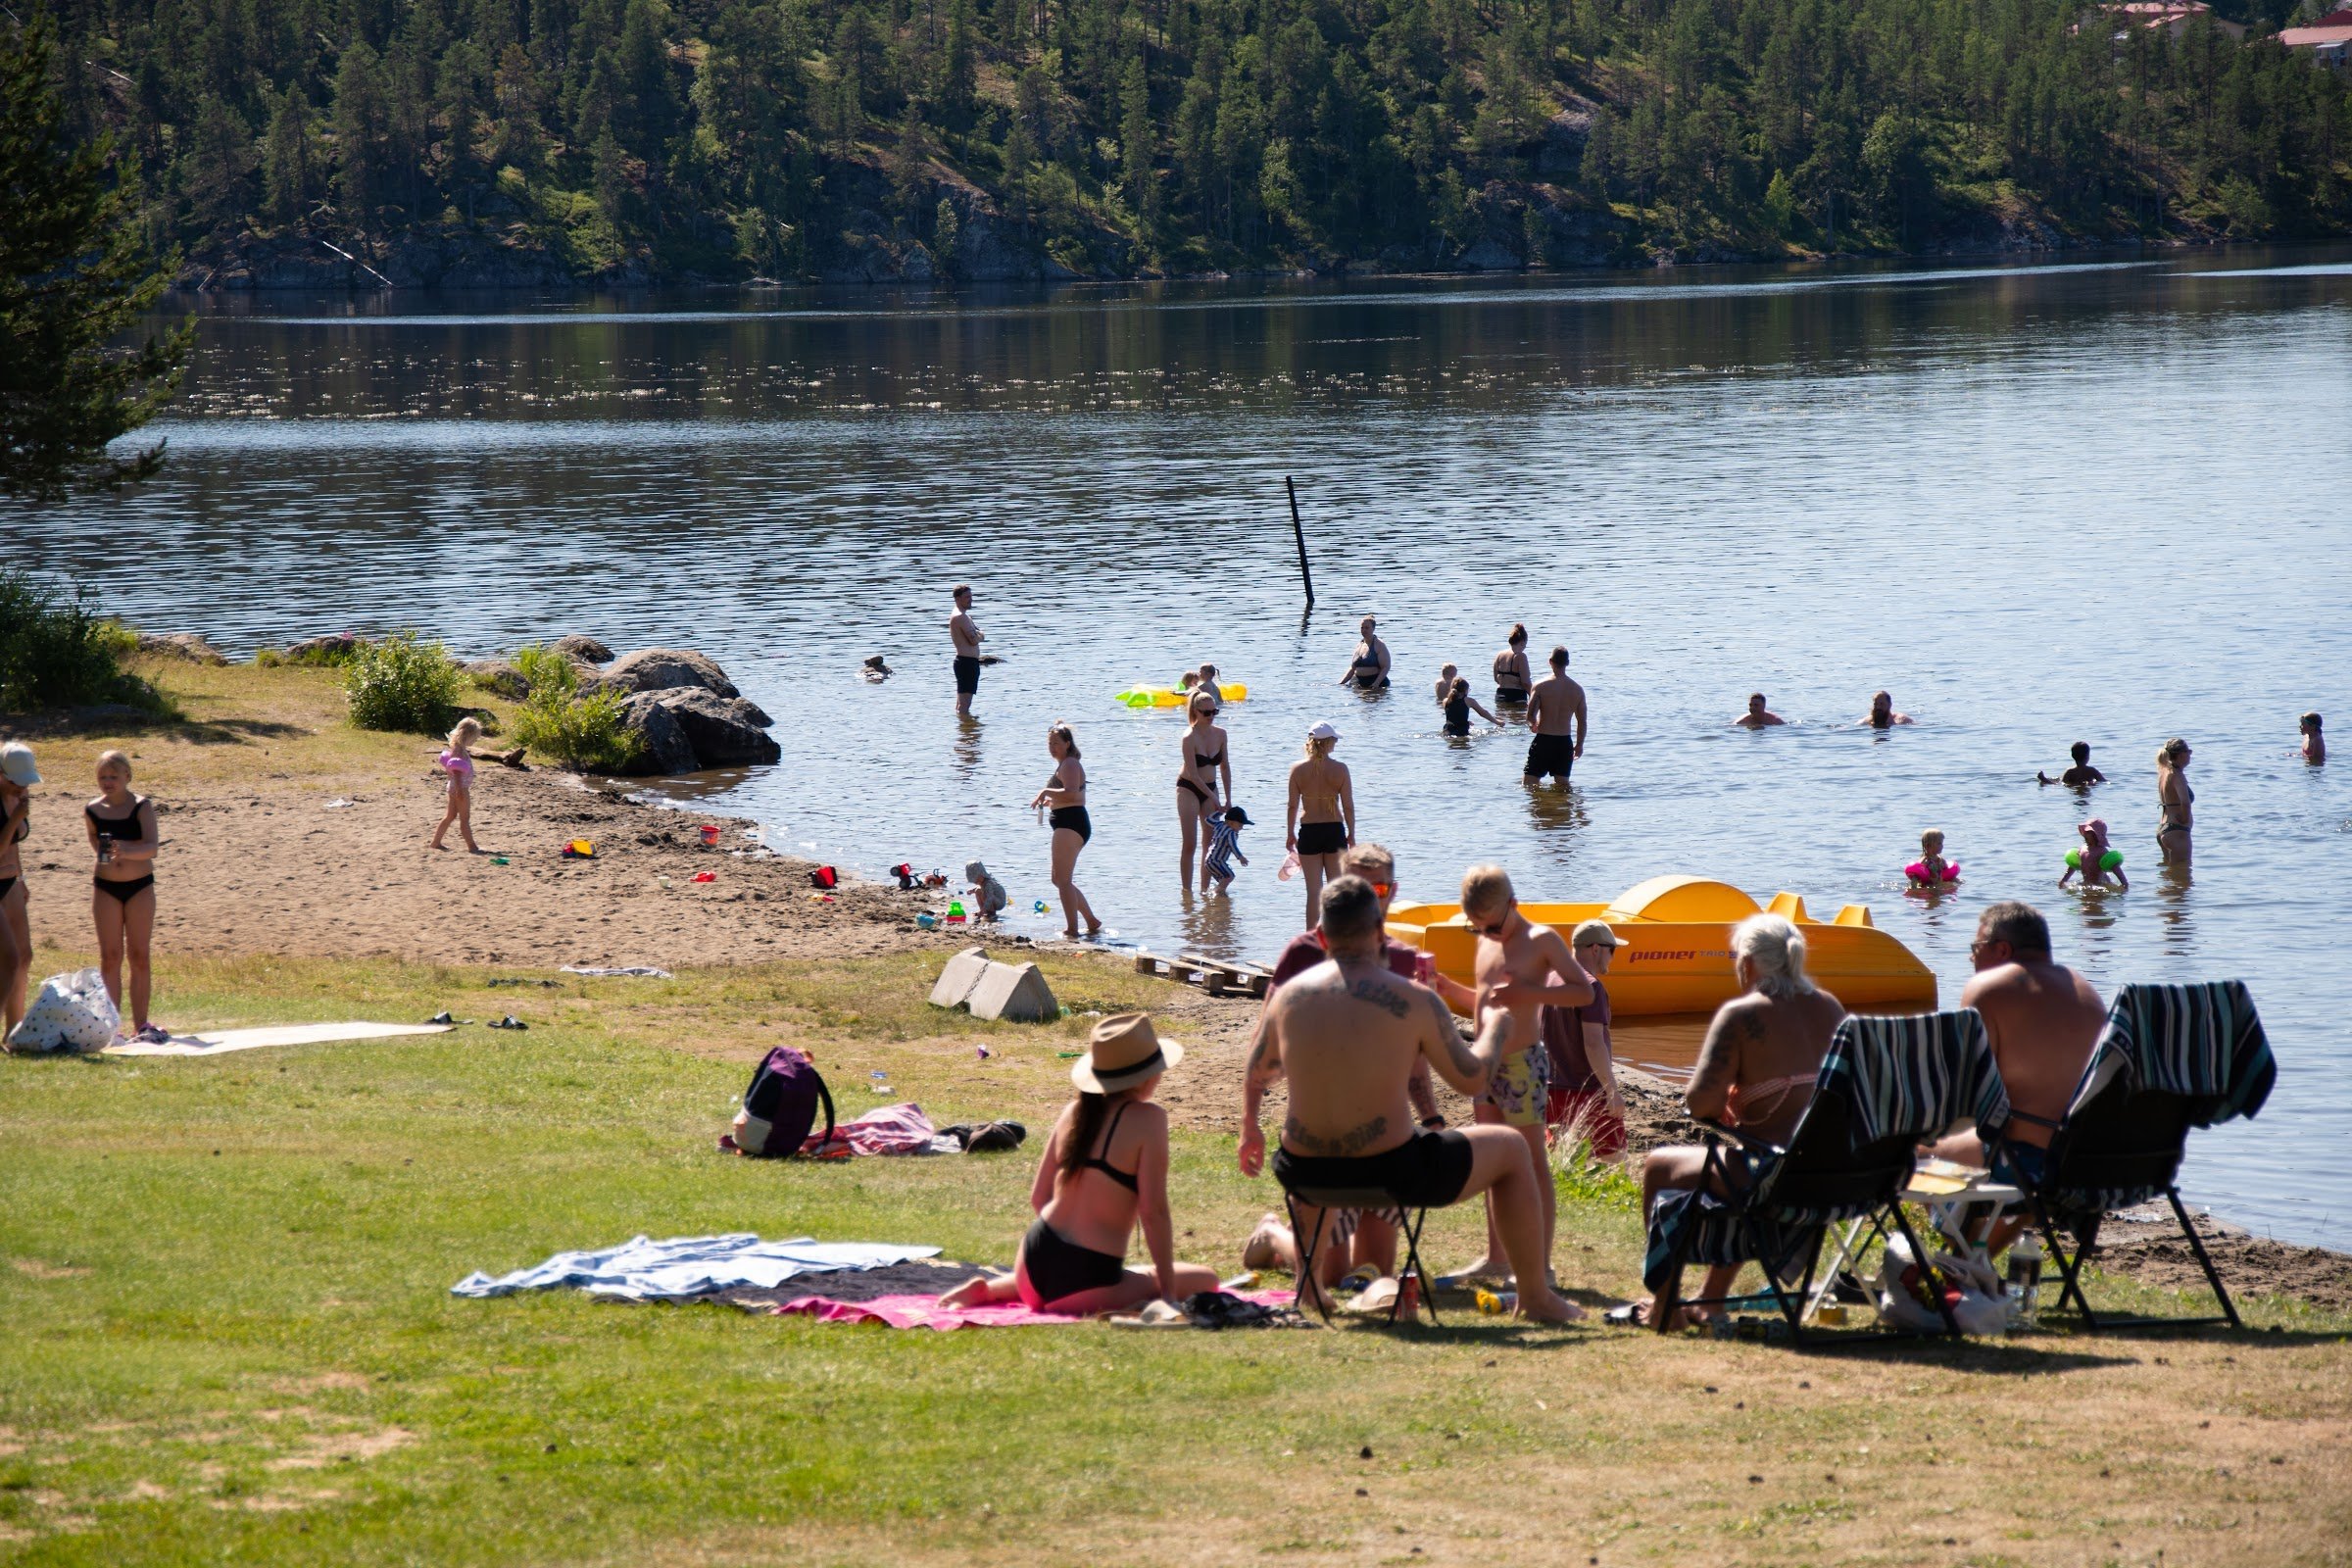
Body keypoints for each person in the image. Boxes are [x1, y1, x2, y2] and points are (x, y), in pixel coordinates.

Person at [1238, 876, 1583, 1322]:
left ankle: (1309, 1287)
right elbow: (1470, 1076)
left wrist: (1250, 1126)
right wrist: (1496, 1028)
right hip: (1394, 1170)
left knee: (1315, 1141)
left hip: (1305, 1171)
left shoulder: (1287, 998)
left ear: (1322, 937)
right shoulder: (1413, 998)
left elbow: (1257, 1071)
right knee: (1514, 1147)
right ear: (1380, 933)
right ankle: (1536, 1297)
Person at [1241, 844, 1471, 1285]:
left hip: (1388, 1134)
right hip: (1323, 1131)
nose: (1369, 894)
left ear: (1393, 891)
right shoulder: (1303, 954)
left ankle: (1293, 1239)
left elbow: (1414, 1056)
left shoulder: (1405, 959)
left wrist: (1433, 1117)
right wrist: (1250, 1122)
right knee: (1330, 1276)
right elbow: (1262, 1047)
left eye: (1378, 885)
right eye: (1358, 884)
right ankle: (1274, 1234)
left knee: (1375, 1273)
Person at [1633, 913, 1845, 1325]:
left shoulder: (1743, 1014)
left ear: (1747, 963)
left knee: (1660, 1164)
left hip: (1775, 1179)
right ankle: (1711, 1299)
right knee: (1737, 1160)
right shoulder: (1830, 1006)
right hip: (1835, 1176)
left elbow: (1699, 1103)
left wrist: (1732, 1099)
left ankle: (1665, 1308)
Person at [940, 1013, 1222, 1314]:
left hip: (1031, 1264)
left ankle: (991, 1289)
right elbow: (1154, 1212)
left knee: (1111, 1274)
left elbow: (1039, 1197)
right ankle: (1082, 1287)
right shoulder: (1149, 1119)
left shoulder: (1074, 1111)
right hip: (1086, 1278)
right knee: (1205, 1279)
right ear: (1148, 1074)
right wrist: (1167, 1293)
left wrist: (1065, 1250)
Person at [1929, 902, 2107, 1253]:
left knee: (1920, 1152)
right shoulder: (2086, 989)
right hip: (2093, 1160)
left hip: (2028, 1160)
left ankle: (1965, 1261)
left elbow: (1964, 1091)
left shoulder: (1987, 988)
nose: (1971, 958)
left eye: (1975, 948)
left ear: (2002, 950)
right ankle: (1971, 1262)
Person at [1449, 864, 1593, 1285]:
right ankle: (1498, 1259)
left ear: (1513, 904)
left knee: (1530, 1162)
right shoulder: (1484, 940)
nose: (1486, 933)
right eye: (1476, 927)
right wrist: (1442, 987)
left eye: (1491, 925)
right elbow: (1482, 1001)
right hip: (1484, 1063)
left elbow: (1583, 991)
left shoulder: (1540, 939)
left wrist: (1532, 993)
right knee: (1493, 1160)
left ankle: (1541, 1266)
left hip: (1522, 1063)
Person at [85, 750, 165, 1045]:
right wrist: (110, 852)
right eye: (103, 777)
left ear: (127, 777)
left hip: (139, 886)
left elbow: (152, 847)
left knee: (139, 955)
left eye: (114, 776)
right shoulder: (92, 809)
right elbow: (97, 847)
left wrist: (126, 851)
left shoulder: (141, 806)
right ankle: (111, 1027)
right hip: (105, 886)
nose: (108, 782)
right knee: (110, 957)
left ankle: (141, 1024)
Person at [1544, 920, 1627, 1161]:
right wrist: (1612, 1091)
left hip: (1551, 1090)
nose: (1612, 957)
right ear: (1595, 949)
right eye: (1612, 950)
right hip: (1585, 1091)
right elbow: (1593, 1043)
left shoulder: (1549, 979)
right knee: (1614, 1163)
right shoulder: (1591, 987)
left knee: (1563, 1163)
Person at [1029, 724, 1101, 939]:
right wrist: (1052, 801)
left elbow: (1071, 793)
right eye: (1049, 743)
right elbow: (1072, 796)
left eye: (1056, 744)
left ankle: (1072, 929)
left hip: (1071, 823)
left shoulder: (1069, 763)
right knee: (1059, 879)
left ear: (1067, 744)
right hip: (1069, 820)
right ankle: (1091, 921)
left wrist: (1045, 791)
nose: (1052, 748)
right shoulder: (1065, 764)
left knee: (1063, 881)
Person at [1285, 722, 1355, 930]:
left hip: (1309, 831)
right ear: (1328, 743)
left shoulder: (1297, 769)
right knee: (1336, 889)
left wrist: (1289, 833)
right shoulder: (1340, 769)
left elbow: (1292, 805)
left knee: (1313, 892)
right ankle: (1339, 936)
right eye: (1334, 740)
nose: (1335, 743)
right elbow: (1348, 806)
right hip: (1334, 830)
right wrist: (1352, 833)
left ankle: (1311, 940)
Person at [1175, 691, 1232, 894]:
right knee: (1189, 843)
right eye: (1206, 712)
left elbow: (1225, 767)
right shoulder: (1189, 737)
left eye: (1214, 711)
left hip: (1211, 787)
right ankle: (1187, 893)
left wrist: (1228, 798)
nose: (1211, 716)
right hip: (1189, 787)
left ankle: (1204, 890)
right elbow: (1193, 774)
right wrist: (1214, 797)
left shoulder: (1221, 734)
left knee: (1210, 844)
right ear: (1196, 712)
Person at [0, 742, 34, 1037]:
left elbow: (16, 845)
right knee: (8, 959)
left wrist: (21, 879)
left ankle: (14, 1032)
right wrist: (13, 820)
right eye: (15, 781)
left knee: (24, 956)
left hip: (10, 879)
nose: (21, 787)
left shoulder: (19, 793)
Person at [1523, 646, 1587, 785]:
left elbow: (1530, 716)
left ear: (1550, 661)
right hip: (1564, 743)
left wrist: (1533, 725)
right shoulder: (1577, 690)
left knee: (1529, 785)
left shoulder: (1540, 686)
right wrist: (1579, 745)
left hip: (1544, 741)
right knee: (1562, 788)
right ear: (1567, 663)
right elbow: (1582, 722)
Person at [430, 716, 485, 853]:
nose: (476, 740)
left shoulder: (455, 748)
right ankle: (472, 846)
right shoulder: (460, 751)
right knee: (465, 818)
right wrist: (460, 789)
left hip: (452, 786)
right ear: (468, 735)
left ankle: (435, 842)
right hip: (461, 788)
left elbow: (451, 769)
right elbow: (457, 771)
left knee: (450, 816)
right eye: (475, 737)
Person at [2059, 817, 2128, 892]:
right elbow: (2072, 866)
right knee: (2085, 901)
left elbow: (2115, 868)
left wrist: (2124, 884)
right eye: (2085, 831)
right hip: (2086, 884)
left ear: (2096, 835)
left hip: (2101, 885)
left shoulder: (2102, 851)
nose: (2085, 834)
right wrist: (2063, 881)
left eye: (2088, 832)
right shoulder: (2082, 849)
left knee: (2095, 900)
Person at [2156, 737, 2193, 865]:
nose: (2190, 755)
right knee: (2184, 877)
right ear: (2181, 754)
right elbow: (2185, 802)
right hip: (2177, 830)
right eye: (2189, 752)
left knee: (2170, 876)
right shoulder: (2177, 775)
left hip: (2164, 827)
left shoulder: (2163, 772)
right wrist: (2184, 819)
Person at [950, 583, 984, 716]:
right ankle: (966, 735)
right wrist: (981, 635)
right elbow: (973, 639)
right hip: (966, 663)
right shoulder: (960, 617)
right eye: (967, 597)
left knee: (961, 704)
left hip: (967, 662)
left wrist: (978, 634)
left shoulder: (964, 616)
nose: (970, 599)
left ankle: (964, 732)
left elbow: (976, 634)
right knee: (964, 705)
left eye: (971, 596)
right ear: (958, 599)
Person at [1203, 806, 1250, 893]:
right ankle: (1217, 894)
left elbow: (1208, 819)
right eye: (1240, 825)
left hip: (1208, 861)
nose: (1241, 828)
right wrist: (1240, 857)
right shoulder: (1231, 833)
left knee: (1223, 879)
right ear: (1231, 823)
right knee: (1229, 876)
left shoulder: (1218, 825)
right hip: (1217, 861)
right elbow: (1233, 846)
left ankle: (1219, 896)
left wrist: (1220, 812)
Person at [1339, 616, 1391, 690]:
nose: (1364, 630)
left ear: (1373, 628)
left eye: (1367, 628)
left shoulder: (1379, 645)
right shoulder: (1359, 645)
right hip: (1357, 682)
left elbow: (1386, 667)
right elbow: (1352, 668)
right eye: (1362, 628)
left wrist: (1376, 684)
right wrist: (1341, 683)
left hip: (1375, 681)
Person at [1493, 624, 1533, 707]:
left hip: (1500, 695)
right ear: (1523, 641)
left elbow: (1496, 679)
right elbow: (1525, 682)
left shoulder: (1499, 655)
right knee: (1518, 719)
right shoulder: (1521, 656)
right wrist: (1534, 697)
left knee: (1501, 719)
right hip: (1516, 697)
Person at [2038, 742, 2105, 788]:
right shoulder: (2092, 770)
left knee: (2057, 784)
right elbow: (2103, 781)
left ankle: (2044, 779)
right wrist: (2094, 784)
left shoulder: (2069, 771)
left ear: (2072, 756)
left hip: (2073, 787)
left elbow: (2062, 783)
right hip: (2086, 786)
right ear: (2087, 757)